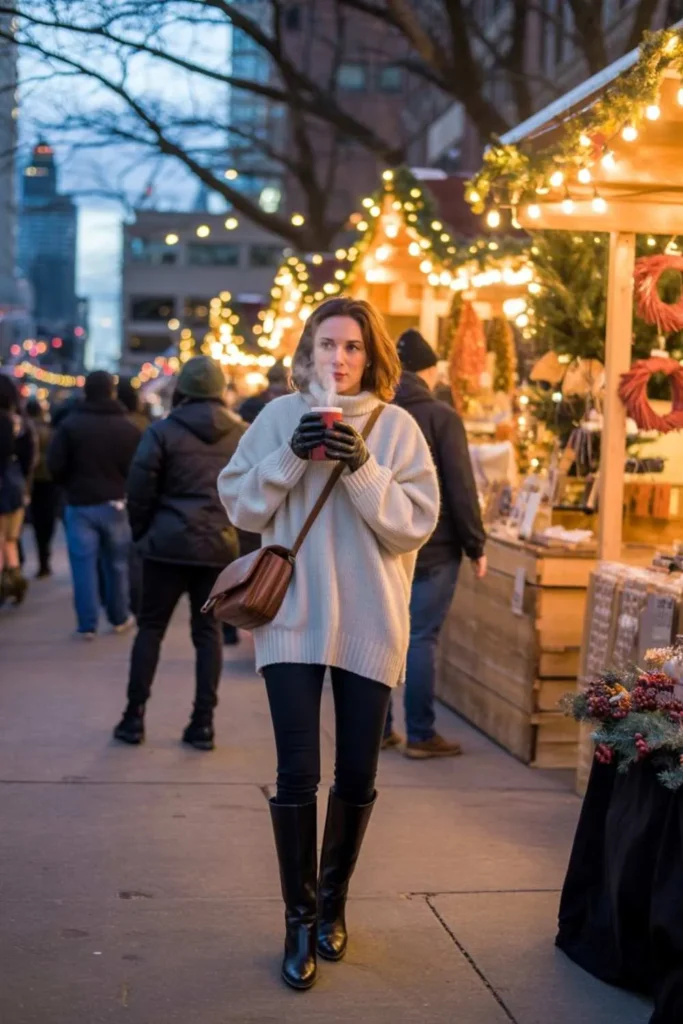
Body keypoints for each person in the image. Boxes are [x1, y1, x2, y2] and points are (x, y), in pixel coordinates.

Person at [218, 297, 439, 991]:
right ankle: (296, 919)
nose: (338, 359)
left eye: (351, 347)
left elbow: (413, 528)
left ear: (370, 356)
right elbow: (242, 507)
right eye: (327, 345)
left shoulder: (398, 428)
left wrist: (362, 467)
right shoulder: (279, 418)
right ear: (307, 352)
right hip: (291, 620)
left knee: (357, 775)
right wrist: (290, 457)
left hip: (370, 621)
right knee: (295, 774)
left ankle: (332, 908)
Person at [113, 356, 245, 751]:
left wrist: (145, 533)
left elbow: (139, 490)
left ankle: (133, 718)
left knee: (150, 629)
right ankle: (202, 722)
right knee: (208, 634)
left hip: (166, 547)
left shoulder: (162, 432)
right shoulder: (241, 434)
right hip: (218, 547)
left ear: (182, 390)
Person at [382, 328, 487, 758]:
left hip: (384, 542)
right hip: (436, 546)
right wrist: (476, 545)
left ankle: (379, 729)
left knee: (383, 636)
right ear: (429, 369)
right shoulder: (442, 416)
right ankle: (421, 735)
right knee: (421, 638)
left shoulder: (378, 414)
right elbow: (461, 486)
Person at [48, 371, 141, 638]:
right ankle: (120, 616)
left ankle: (87, 624)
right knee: (118, 564)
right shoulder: (129, 428)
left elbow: (55, 464)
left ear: (85, 391)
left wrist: (69, 485)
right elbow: (137, 470)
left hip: (80, 503)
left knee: (83, 566)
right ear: (111, 392)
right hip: (116, 503)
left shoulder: (70, 425)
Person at [0, 375, 35, 605]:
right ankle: (16, 579)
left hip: (3, 482)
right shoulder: (21, 422)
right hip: (16, 483)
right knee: (11, 539)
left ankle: (5, 586)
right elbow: (29, 458)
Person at [25, 397, 59, 578]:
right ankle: (45, 558)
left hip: (31, 481)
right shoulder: (51, 430)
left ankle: (38, 558)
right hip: (49, 480)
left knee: (35, 520)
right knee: (47, 519)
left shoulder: (25, 431)